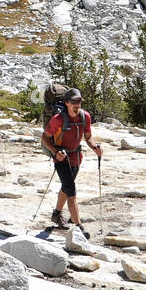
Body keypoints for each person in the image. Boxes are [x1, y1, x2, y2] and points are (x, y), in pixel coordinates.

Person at [40, 88, 103, 237]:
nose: (77, 104)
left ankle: (56, 214)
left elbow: (88, 137)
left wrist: (95, 147)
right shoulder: (58, 119)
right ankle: (79, 226)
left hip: (76, 156)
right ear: (67, 103)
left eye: (79, 101)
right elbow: (44, 137)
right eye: (74, 101)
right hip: (61, 158)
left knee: (66, 187)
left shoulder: (85, 116)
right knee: (71, 192)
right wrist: (55, 152)